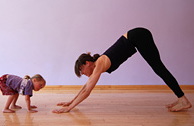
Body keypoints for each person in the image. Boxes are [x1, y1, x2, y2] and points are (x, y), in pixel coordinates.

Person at [52, 27, 192, 113]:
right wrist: (71, 101)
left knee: (159, 69)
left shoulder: (99, 63)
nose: (83, 74)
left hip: (138, 36)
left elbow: (88, 91)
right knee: (159, 68)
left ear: (88, 63)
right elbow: (85, 87)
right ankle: (181, 98)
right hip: (138, 36)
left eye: (82, 70)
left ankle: (183, 100)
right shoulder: (97, 66)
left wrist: (69, 109)